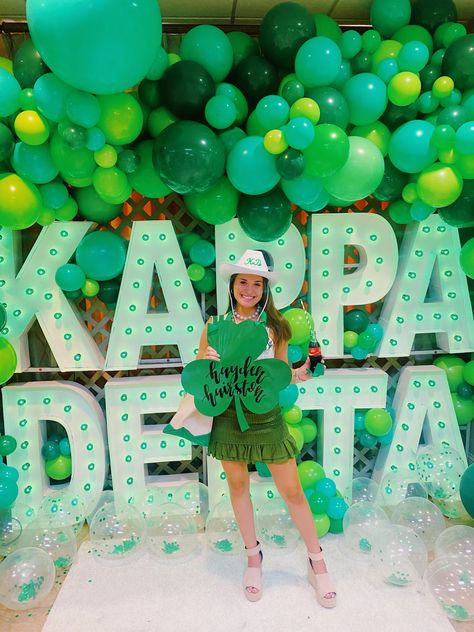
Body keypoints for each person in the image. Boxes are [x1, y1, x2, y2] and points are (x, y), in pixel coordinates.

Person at [196, 248, 336, 607]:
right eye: (243, 281)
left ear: (264, 289)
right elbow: (200, 376)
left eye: (256, 283)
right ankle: (253, 557)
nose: (249, 289)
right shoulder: (213, 326)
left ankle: (317, 562)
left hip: (266, 416)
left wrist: (304, 371)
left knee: (292, 491)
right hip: (228, 415)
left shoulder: (276, 328)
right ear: (232, 285)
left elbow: (277, 375)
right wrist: (206, 360)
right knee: (238, 486)